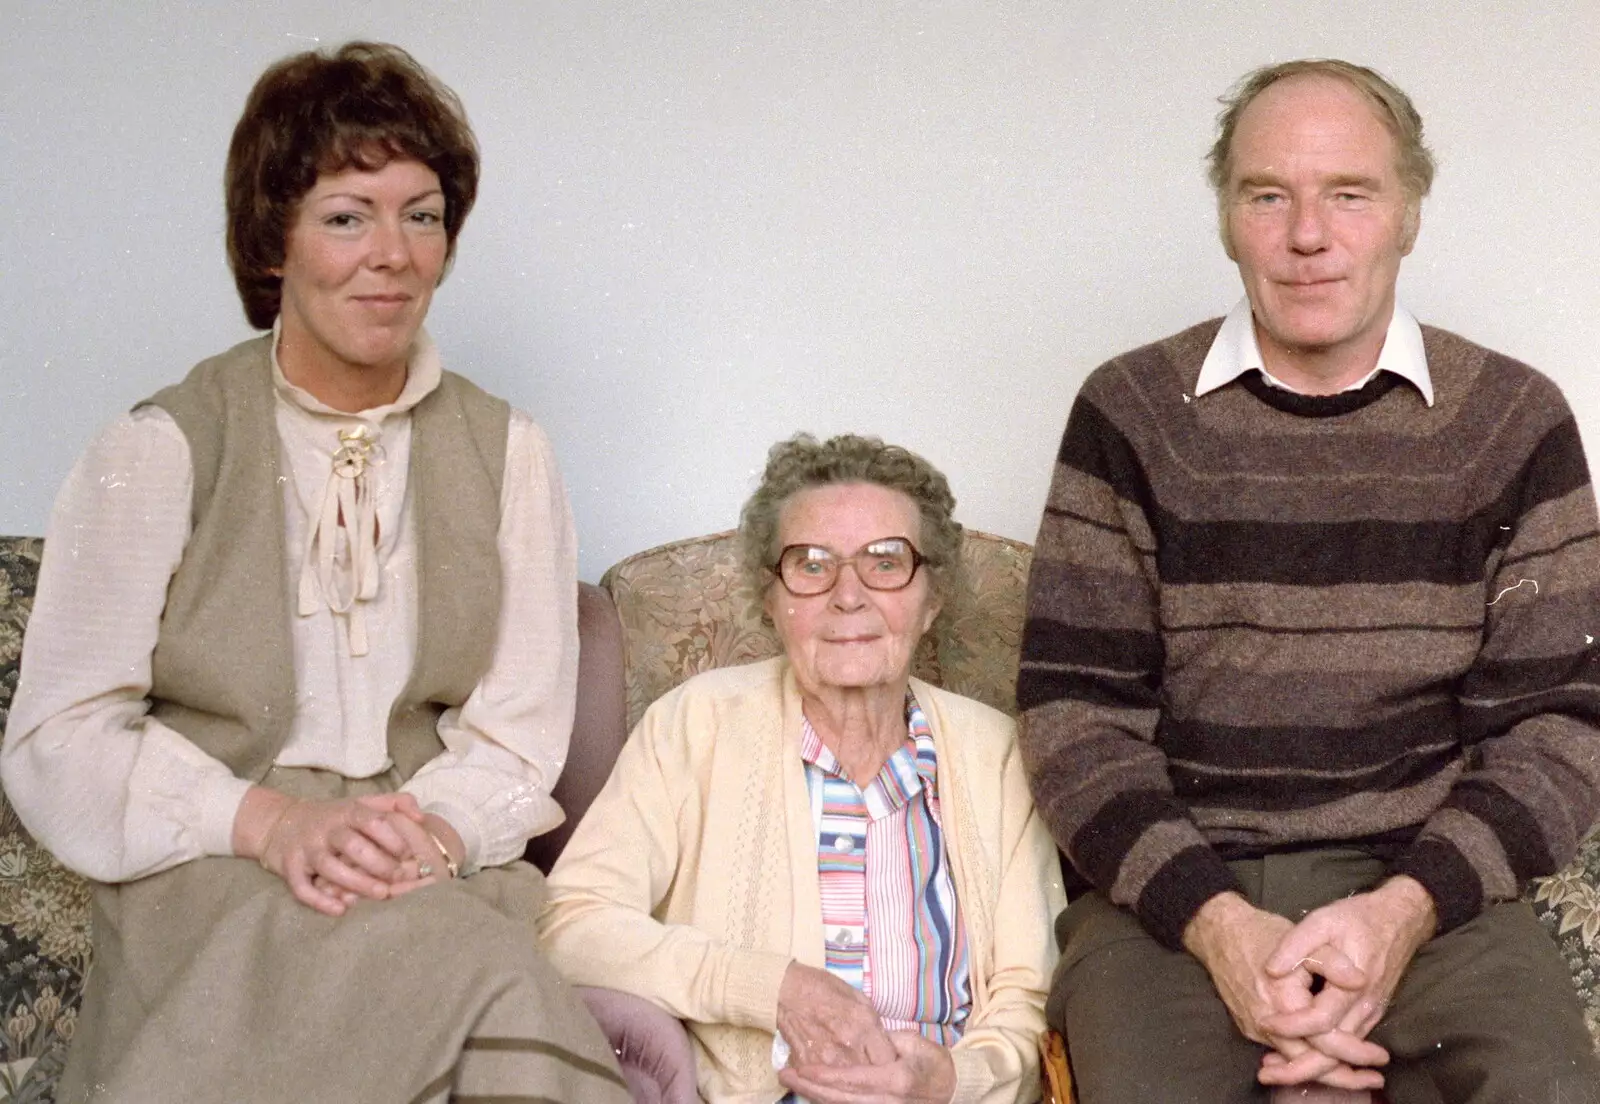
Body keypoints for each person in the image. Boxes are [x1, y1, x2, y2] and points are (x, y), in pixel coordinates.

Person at [1, 42, 629, 1103]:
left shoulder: (511, 450)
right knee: (496, 994)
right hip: (220, 879)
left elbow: (520, 731)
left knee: (476, 963)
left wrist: (424, 832)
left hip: (427, 865)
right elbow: (59, 737)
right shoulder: (160, 445)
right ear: (272, 244)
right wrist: (274, 824)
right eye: (346, 215)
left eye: (420, 215)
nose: (391, 254)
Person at [1017, 58, 1600, 1102]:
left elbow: (1556, 730)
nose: (1306, 235)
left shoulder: (1512, 421)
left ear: (1408, 212)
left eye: (1348, 193)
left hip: (1430, 898)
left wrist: (1398, 915)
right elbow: (1073, 723)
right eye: (1267, 195)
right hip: (1177, 902)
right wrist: (1221, 927)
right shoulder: (1129, 414)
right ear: (1226, 216)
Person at [539, 433, 1065, 1103]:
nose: (849, 595)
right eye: (811, 564)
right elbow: (571, 925)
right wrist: (771, 986)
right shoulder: (694, 724)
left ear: (931, 599)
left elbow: (1029, 996)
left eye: (886, 561)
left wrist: (952, 1080)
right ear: (771, 596)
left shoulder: (998, 756)